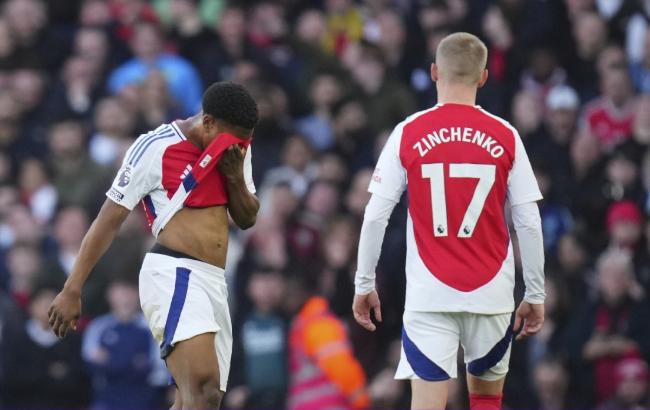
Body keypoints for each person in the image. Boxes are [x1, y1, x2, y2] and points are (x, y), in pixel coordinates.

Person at [353, 32, 546, 410]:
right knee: (487, 401)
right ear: (484, 77)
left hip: (430, 295)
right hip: (491, 293)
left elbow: (375, 214)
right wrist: (535, 293)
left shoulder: (408, 131)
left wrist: (364, 282)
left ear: (434, 72)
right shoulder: (506, 135)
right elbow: (529, 221)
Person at [48, 81, 260, 409]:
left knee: (205, 400)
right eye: (234, 139)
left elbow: (247, 218)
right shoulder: (155, 147)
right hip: (175, 272)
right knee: (200, 387)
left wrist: (234, 176)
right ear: (208, 122)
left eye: (245, 140)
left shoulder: (236, 146)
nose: (240, 146)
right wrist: (72, 288)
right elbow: (108, 220)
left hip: (214, 281)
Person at [285, 272, 369, 410]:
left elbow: (339, 365)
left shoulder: (314, 323)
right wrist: (362, 400)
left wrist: (361, 401)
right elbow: (340, 365)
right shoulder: (312, 322)